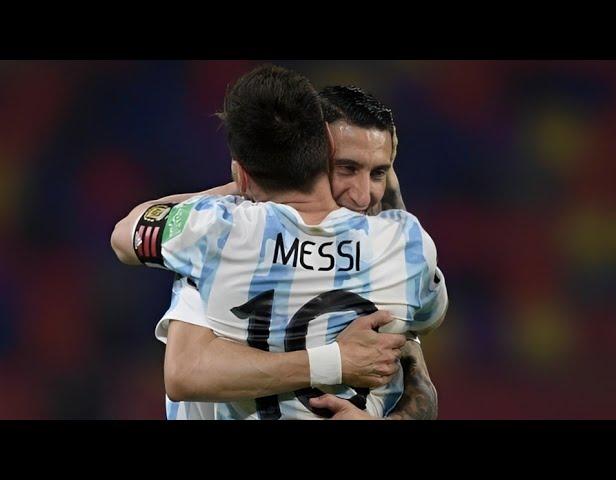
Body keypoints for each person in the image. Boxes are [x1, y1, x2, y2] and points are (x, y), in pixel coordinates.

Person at [111, 65, 448, 419]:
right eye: (347, 169)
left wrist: (241, 188)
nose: (363, 196)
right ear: (319, 154)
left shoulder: (212, 231)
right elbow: (421, 347)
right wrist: (336, 361)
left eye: (379, 172)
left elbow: (127, 233)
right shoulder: (407, 246)